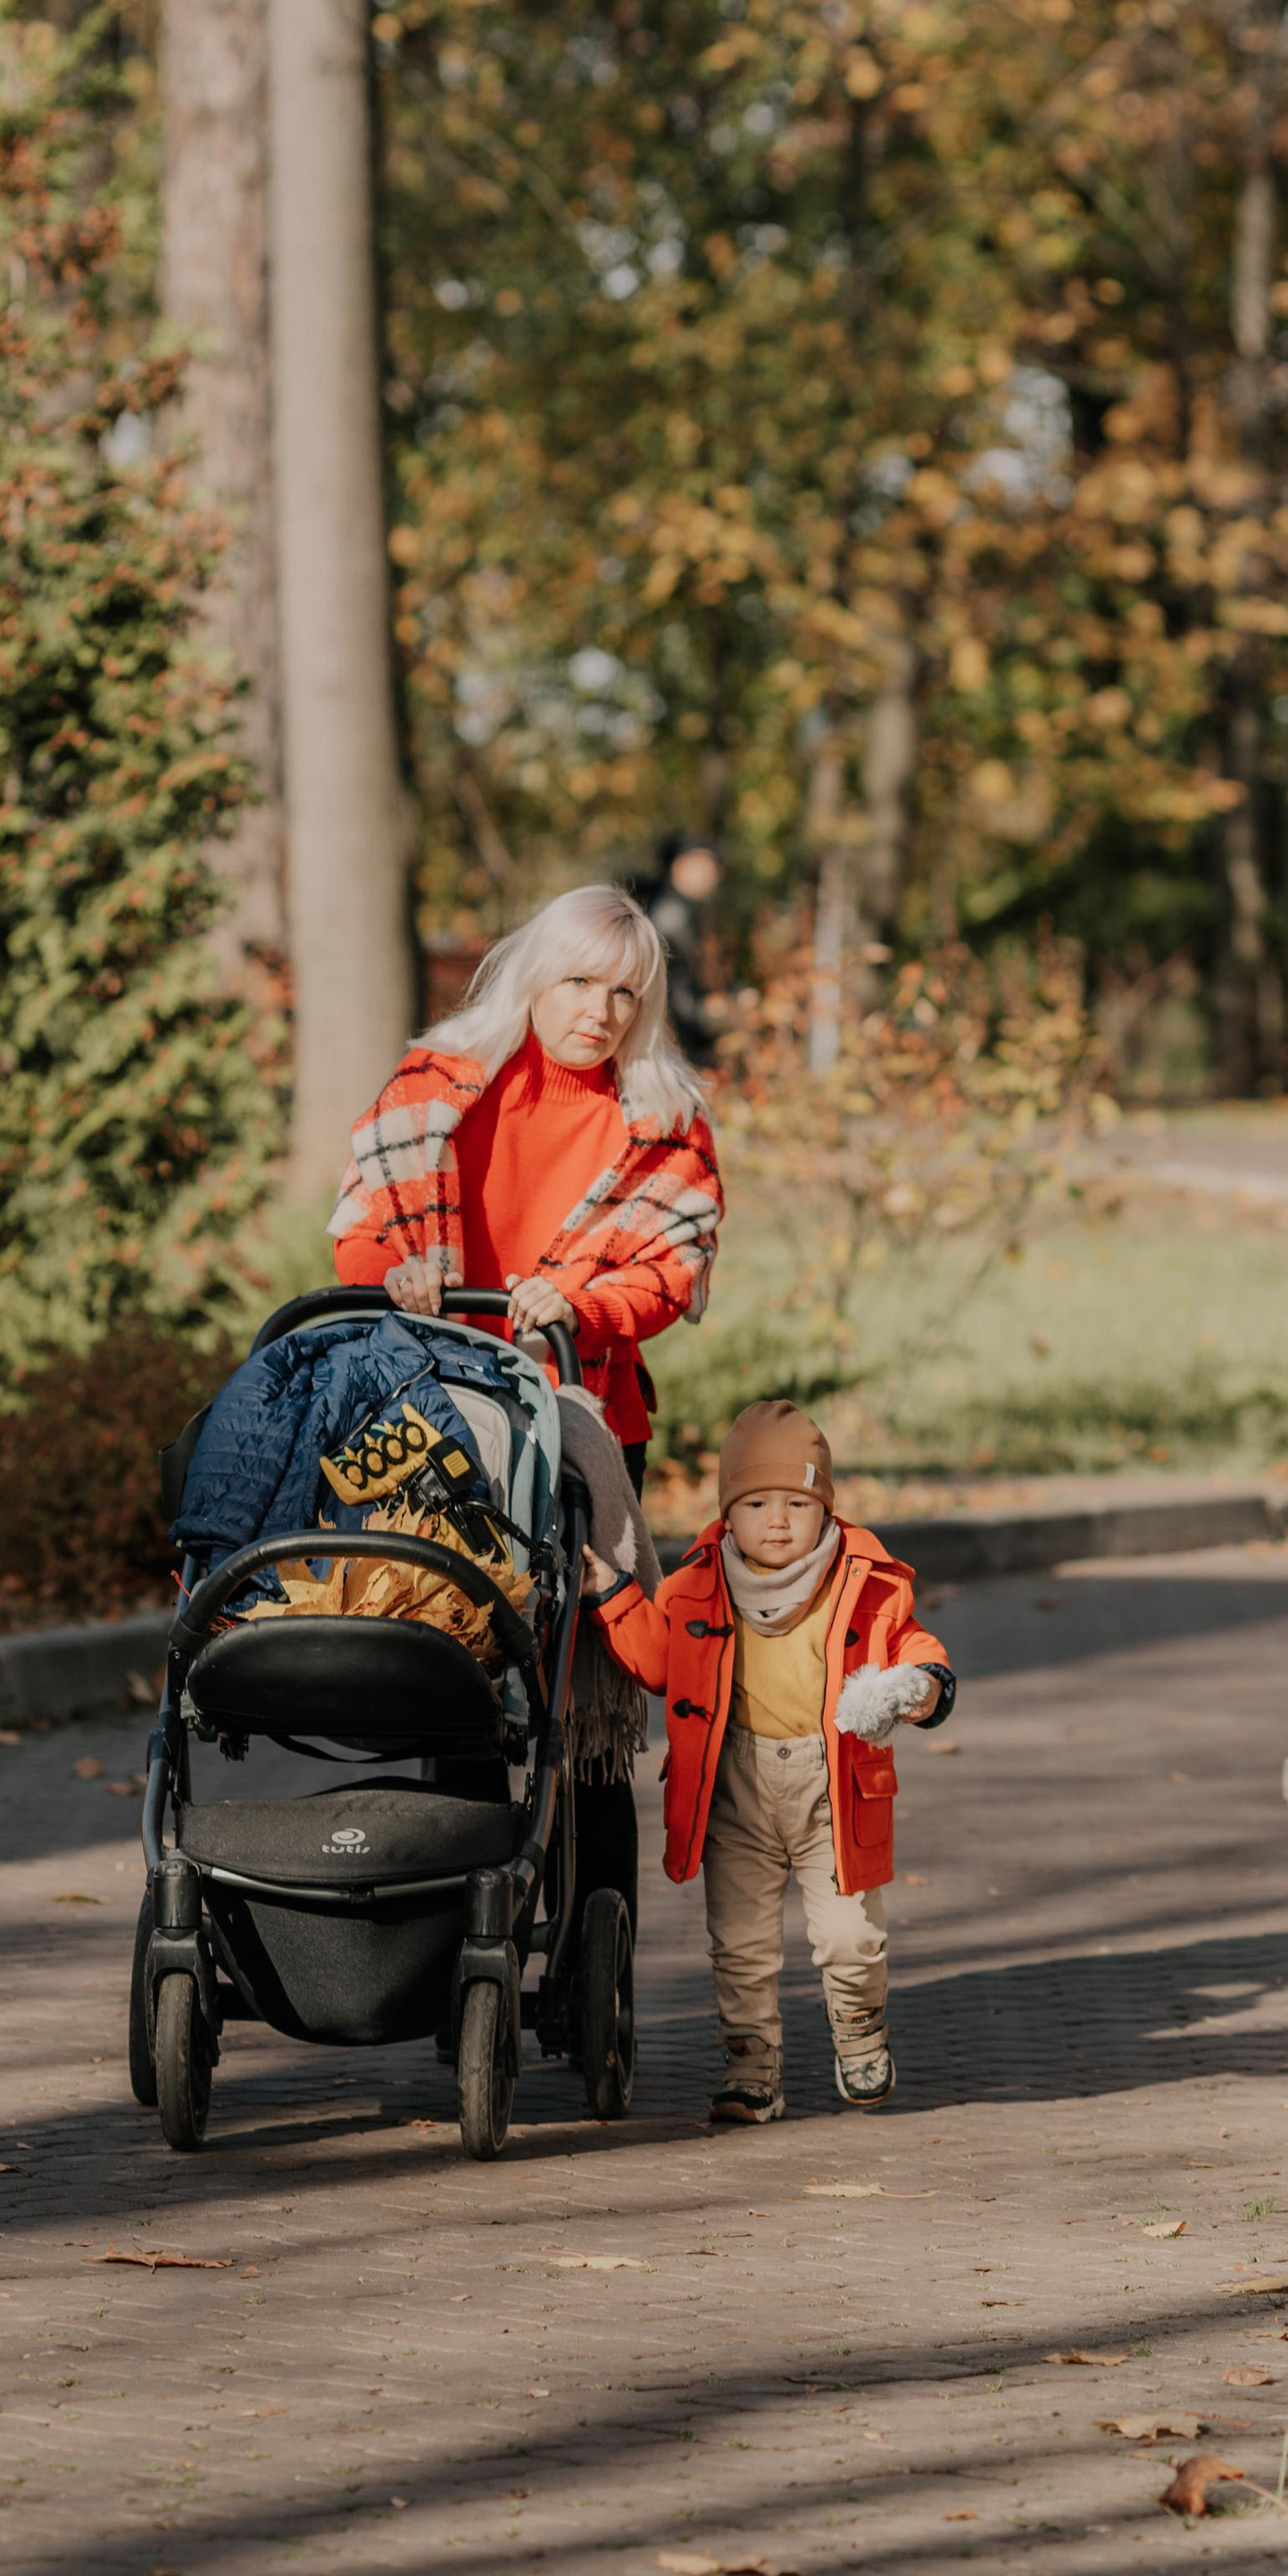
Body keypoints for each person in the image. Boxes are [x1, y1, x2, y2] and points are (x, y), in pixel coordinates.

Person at [330, 884, 725, 1926]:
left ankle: (599, 1952)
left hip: (585, 1418)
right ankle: (464, 1937)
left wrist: (585, 1303)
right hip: (446, 1415)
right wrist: (400, 1271)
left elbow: (669, 1272)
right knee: (457, 1665)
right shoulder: (434, 1089)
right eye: (580, 983)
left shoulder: (666, 1123)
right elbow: (365, 1221)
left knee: (588, 1701)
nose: (600, 1011)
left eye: (626, 993)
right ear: (533, 978)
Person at [584, 1398, 955, 2121]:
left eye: (796, 1502)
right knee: (742, 1946)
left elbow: (911, 1645)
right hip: (735, 1785)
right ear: (728, 1512)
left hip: (832, 1788)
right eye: (756, 1503)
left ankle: (859, 2031)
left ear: (825, 1509)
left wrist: (921, 1684)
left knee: (851, 1937)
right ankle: (752, 2066)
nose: (778, 1521)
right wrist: (614, 1596)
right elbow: (661, 1662)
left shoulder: (864, 1582)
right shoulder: (697, 1583)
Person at [640, 834, 723, 1068]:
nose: (714, 874)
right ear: (679, 867)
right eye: (706, 866)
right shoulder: (672, 916)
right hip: (670, 1045)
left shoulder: (672, 909)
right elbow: (677, 991)